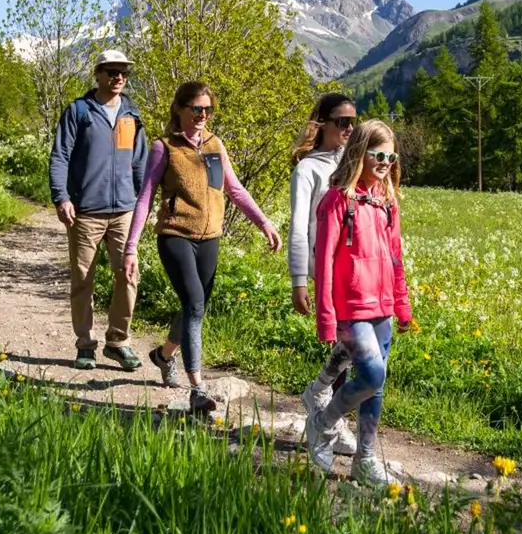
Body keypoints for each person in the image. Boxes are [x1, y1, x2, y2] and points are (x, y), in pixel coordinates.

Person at [125, 81, 281, 414]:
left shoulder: (214, 145)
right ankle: (198, 387)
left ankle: (164, 355)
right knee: (195, 303)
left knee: (194, 305)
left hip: (210, 238)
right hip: (175, 235)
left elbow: (234, 189)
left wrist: (264, 222)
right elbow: (145, 198)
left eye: (208, 110)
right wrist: (131, 248)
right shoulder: (164, 147)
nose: (203, 116)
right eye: (196, 109)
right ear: (179, 110)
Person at [304, 119, 411, 486]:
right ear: (359, 153)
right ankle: (322, 423)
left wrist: (402, 304)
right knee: (372, 374)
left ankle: (364, 459)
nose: (384, 162)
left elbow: (395, 256)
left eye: (390, 156)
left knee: (376, 386)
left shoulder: (386, 202)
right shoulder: (337, 200)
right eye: (377, 154)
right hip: (350, 307)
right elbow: (324, 261)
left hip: (382, 306)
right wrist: (325, 318)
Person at [49, 49, 149, 371]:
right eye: (111, 71)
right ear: (98, 74)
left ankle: (118, 342)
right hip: (85, 212)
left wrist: (144, 201)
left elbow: (139, 164)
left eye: (124, 72)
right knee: (82, 279)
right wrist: (61, 197)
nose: (118, 77)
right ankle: (85, 345)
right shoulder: (79, 111)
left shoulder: (132, 115)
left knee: (129, 275)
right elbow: (60, 156)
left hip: (124, 212)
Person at [289, 92, 358, 456]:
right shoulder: (308, 169)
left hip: (357, 268)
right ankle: (328, 419)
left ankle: (327, 414)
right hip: (326, 268)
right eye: (342, 121)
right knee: (346, 340)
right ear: (323, 124)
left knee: (349, 344)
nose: (348, 128)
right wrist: (299, 278)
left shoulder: (356, 164)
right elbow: (298, 228)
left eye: (353, 122)